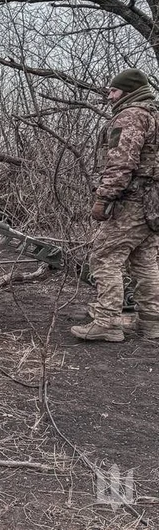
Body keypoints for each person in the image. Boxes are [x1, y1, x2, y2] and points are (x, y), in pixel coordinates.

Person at [73, 68, 159, 342]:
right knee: (144, 261)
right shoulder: (154, 115)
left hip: (132, 201)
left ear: (129, 90)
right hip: (153, 202)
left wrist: (104, 197)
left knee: (104, 256)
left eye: (113, 91)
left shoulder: (132, 116)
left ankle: (107, 322)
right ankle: (152, 322)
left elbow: (122, 162)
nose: (109, 96)